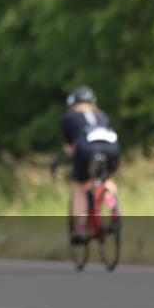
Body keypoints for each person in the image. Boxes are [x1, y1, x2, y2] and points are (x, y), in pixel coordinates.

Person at [61, 85, 120, 243]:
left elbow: (71, 148)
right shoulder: (102, 115)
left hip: (86, 148)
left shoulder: (70, 117)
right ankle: (113, 207)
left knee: (81, 185)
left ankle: (80, 227)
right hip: (112, 148)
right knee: (105, 179)